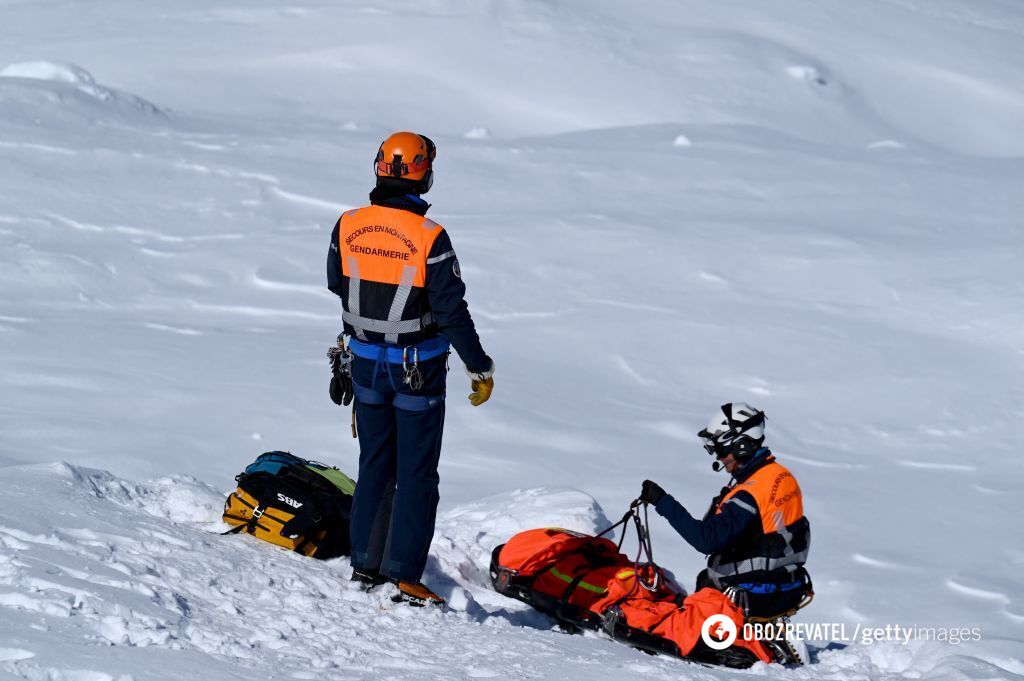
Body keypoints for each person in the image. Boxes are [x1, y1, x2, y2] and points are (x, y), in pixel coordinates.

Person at [326, 131, 495, 607]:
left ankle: (365, 563)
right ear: (425, 173)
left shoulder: (348, 224)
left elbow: (336, 282)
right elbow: (451, 311)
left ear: (379, 167)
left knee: (376, 465)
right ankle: (403, 574)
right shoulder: (430, 237)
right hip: (417, 370)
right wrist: (478, 368)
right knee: (417, 474)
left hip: (364, 365)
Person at [640, 403, 811, 619]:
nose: (718, 457)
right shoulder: (781, 476)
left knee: (704, 584)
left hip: (751, 597)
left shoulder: (750, 493)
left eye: (721, 449)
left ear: (742, 446)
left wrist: (662, 501)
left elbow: (706, 540)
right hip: (787, 586)